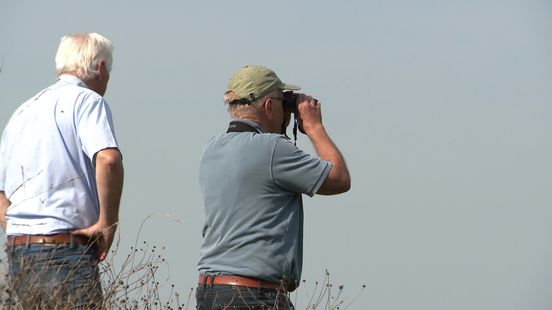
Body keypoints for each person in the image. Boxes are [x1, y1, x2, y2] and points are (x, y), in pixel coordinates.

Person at [196, 65, 351, 309]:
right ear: (269, 106)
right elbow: (339, 178)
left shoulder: (211, 148)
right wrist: (313, 127)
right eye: (282, 102)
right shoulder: (273, 149)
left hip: (211, 290)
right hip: (253, 295)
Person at [0, 32, 124, 308]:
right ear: (101, 68)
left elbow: (1, 193)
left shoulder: (22, 111)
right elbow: (108, 159)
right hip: (65, 248)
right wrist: (107, 223)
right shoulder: (88, 101)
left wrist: (21, 229)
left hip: (20, 253)